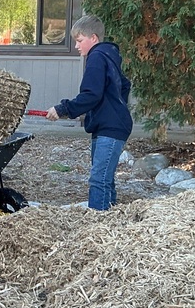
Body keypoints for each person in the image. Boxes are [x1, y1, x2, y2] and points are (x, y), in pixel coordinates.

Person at [45, 13, 132, 211]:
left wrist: (62, 109)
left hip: (110, 127)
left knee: (98, 180)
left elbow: (91, 94)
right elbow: (125, 85)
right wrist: (113, 107)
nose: (76, 46)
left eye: (79, 40)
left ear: (93, 38)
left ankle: (98, 222)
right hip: (108, 125)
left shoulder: (97, 57)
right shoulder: (109, 55)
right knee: (105, 179)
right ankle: (110, 219)